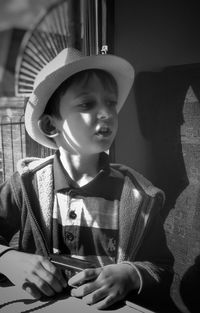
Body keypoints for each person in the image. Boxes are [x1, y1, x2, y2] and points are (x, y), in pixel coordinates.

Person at [0, 47, 175, 311]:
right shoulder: (26, 185)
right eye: (86, 104)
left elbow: (161, 267)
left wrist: (130, 274)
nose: (106, 113)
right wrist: (8, 259)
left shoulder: (139, 196)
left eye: (111, 102)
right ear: (50, 126)